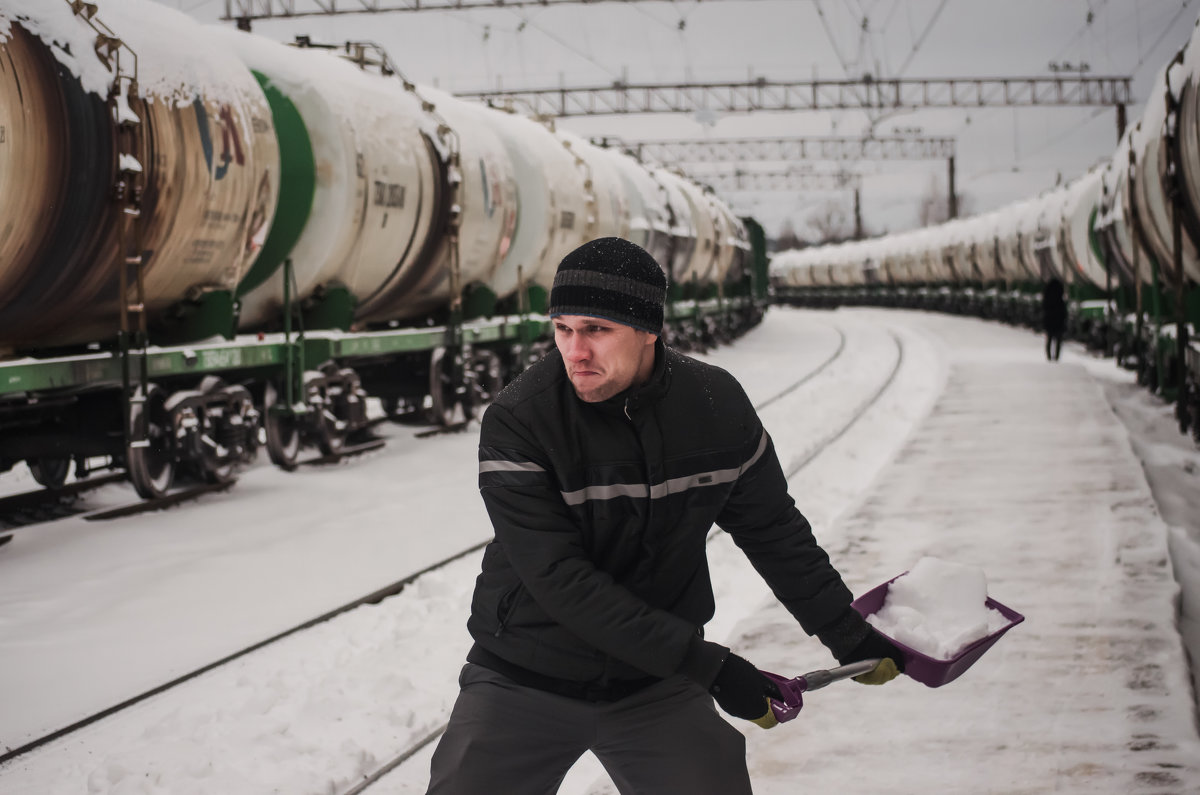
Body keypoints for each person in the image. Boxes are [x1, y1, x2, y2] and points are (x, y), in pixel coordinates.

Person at [426, 237, 904, 794]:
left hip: (653, 682)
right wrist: (712, 668)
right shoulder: (521, 420)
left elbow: (772, 529)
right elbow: (561, 580)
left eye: (597, 330)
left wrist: (846, 634)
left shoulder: (715, 405)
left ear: (649, 330)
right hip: (526, 676)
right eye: (563, 329)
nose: (575, 351)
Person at [1042, 277, 1067, 361]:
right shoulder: (1060, 299)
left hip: (1049, 321)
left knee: (1049, 339)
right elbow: (1064, 311)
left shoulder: (1047, 298)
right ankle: (1056, 357)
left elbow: (1044, 308)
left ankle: (1049, 357)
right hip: (1059, 321)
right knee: (1058, 340)